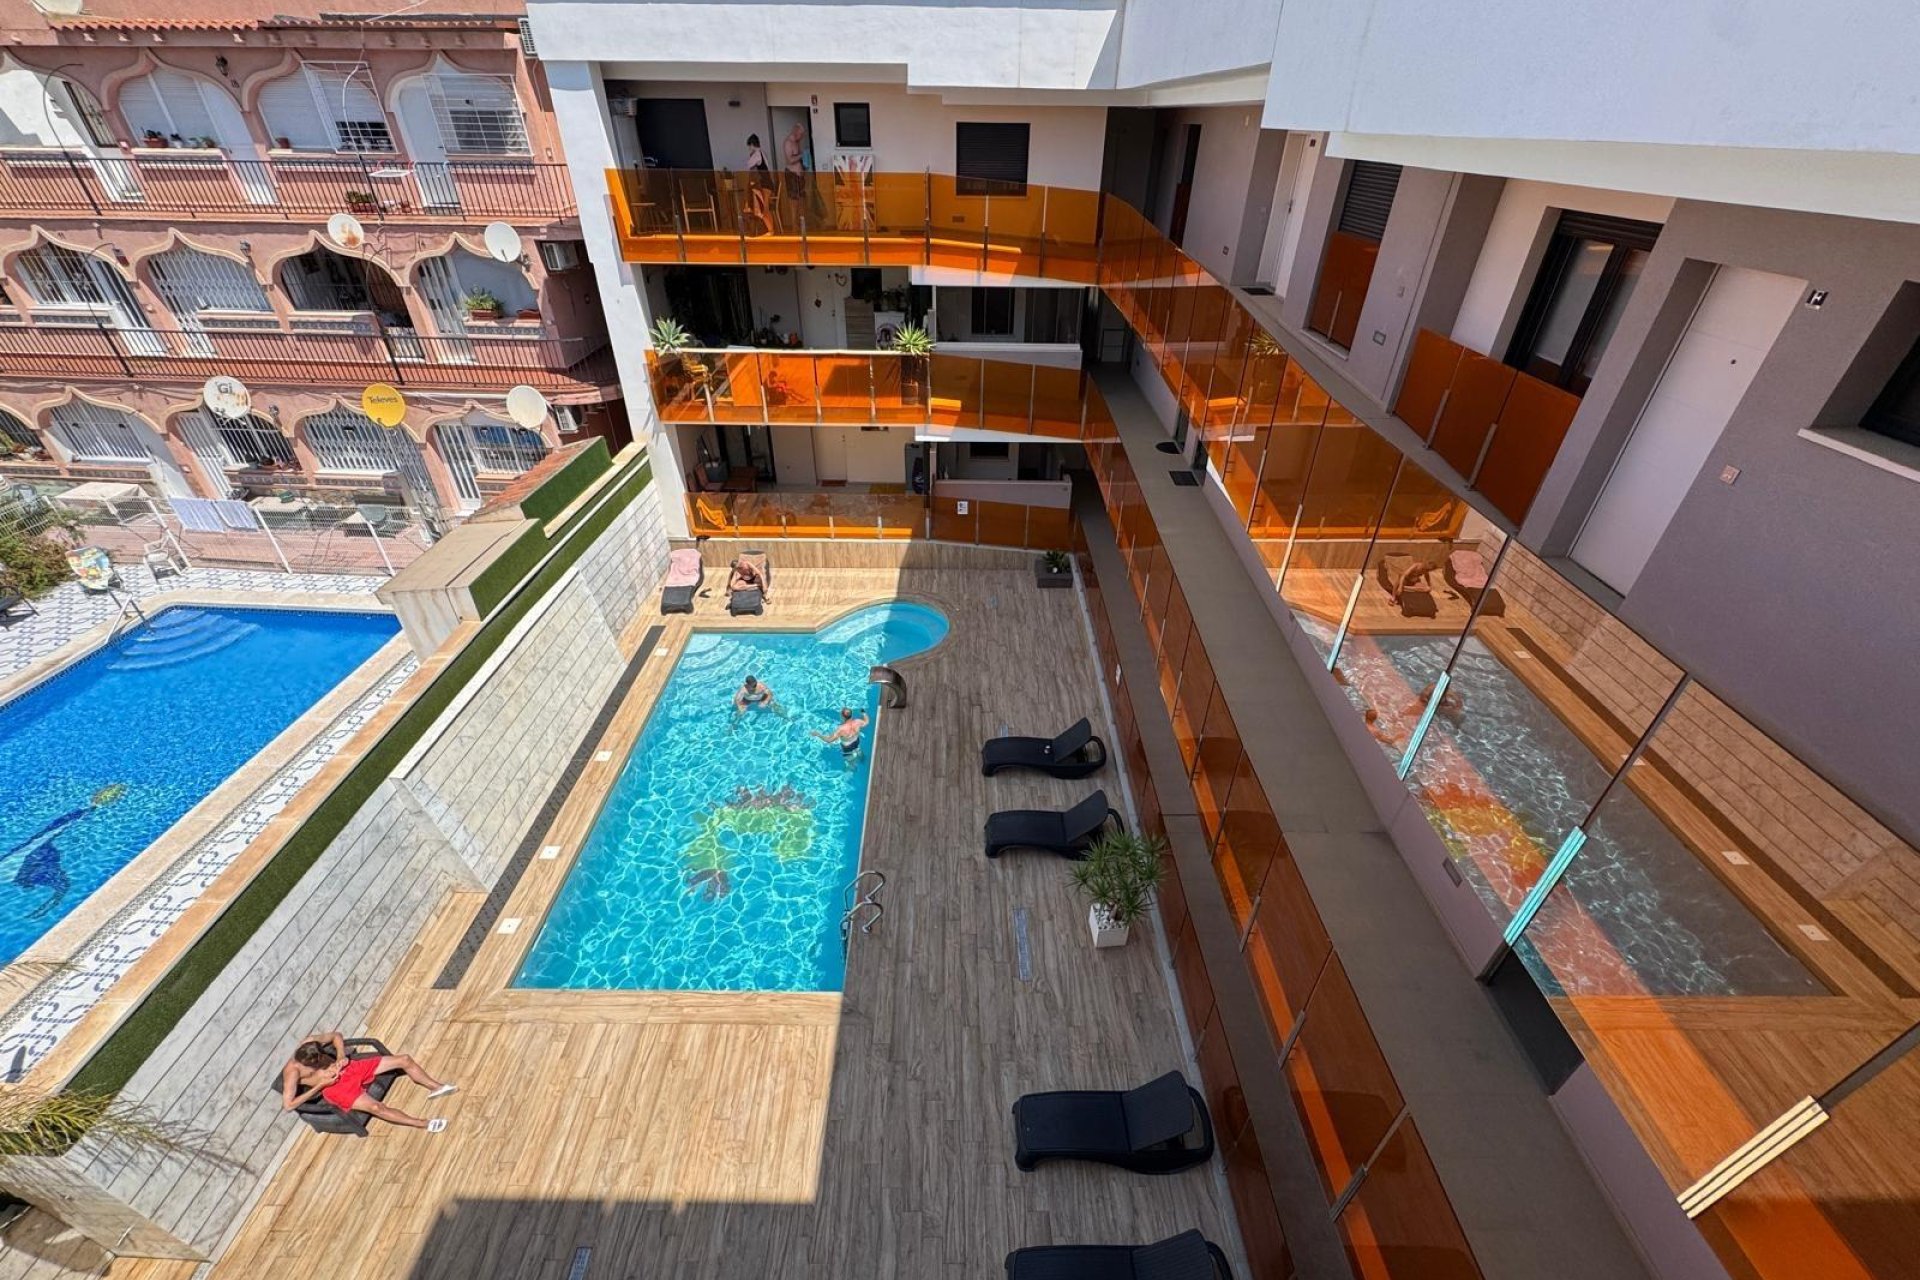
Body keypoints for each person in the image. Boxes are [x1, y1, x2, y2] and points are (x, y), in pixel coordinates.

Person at [281, 1031, 456, 1133]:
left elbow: (336, 1036)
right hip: (335, 1088)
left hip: (349, 1069)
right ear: (306, 1063)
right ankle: (423, 1123)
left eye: (322, 1058)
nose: (321, 1063)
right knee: (376, 1107)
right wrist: (321, 1085)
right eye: (316, 1063)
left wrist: (341, 1056)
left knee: (404, 1059)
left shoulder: (310, 1041)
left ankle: (436, 1087)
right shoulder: (292, 1071)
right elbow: (289, 1105)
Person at [744, 133, 776, 234]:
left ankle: (771, 231)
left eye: (749, 147)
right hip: (767, 183)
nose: (749, 149)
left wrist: (751, 155)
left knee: (765, 209)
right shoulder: (762, 153)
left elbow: (748, 164)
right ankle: (770, 230)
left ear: (752, 145)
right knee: (763, 209)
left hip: (765, 184)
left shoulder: (757, 154)